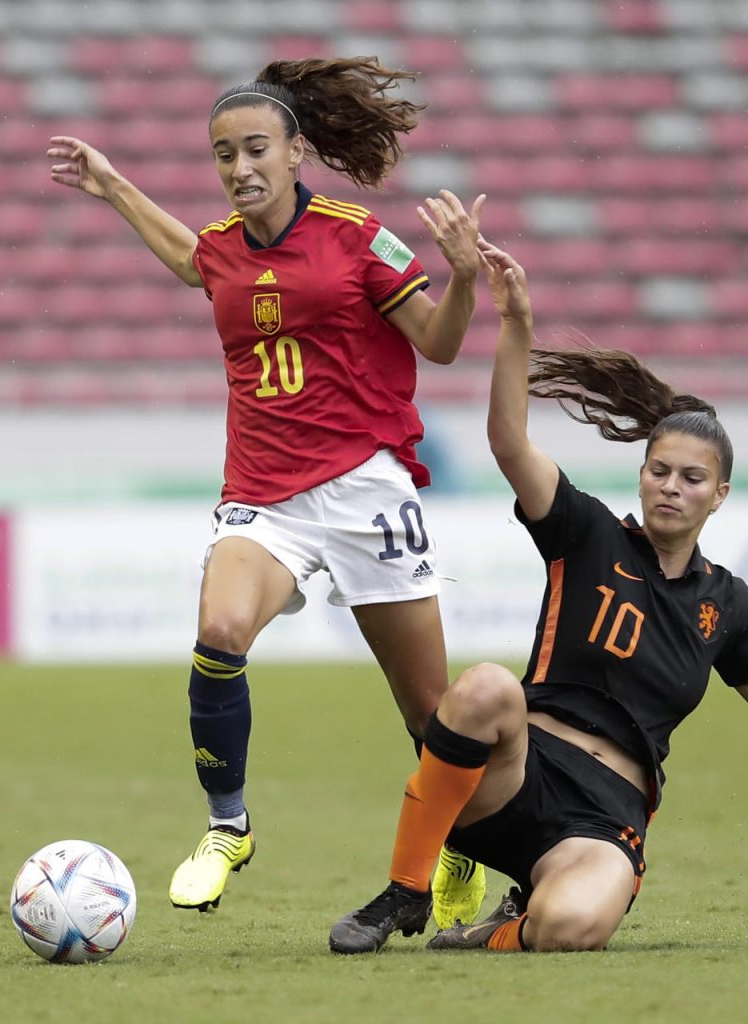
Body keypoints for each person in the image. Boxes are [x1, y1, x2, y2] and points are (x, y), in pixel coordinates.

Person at [329, 241, 748, 954]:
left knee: (572, 929)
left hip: (604, 819)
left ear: (720, 495)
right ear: (641, 476)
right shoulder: (587, 532)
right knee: (483, 688)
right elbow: (509, 442)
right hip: (516, 774)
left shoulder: (728, 603)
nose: (671, 486)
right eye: (660, 470)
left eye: (692, 478)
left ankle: (502, 927)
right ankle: (404, 892)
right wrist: (518, 329)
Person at [46, 57, 491, 920]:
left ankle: (463, 849)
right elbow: (190, 257)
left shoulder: (358, 235)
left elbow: (437, 344)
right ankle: (228, 826)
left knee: (430, 713)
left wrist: (466, 277)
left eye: (255, 149)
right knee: (218, 629)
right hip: (265, 496)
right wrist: (111, 186)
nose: (239, 168)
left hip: (366, 489)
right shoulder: (219, 250)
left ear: (296, 153)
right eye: (223, 155)